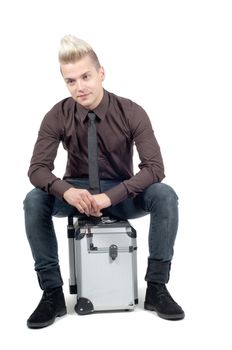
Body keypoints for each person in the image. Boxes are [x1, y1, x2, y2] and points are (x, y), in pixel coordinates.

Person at [23, 35, 185, 329]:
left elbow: (155, 168)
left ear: (101, 73)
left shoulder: (131, 111)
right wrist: (68, 191)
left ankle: (157, 288)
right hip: (76, 193)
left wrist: (110, 197)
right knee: (34, 199)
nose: (79, 87)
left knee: (164, 194)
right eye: (70, 81)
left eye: (85, 76)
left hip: (121, 196)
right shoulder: (57, 114)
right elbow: (37, 170)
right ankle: (52, 294)